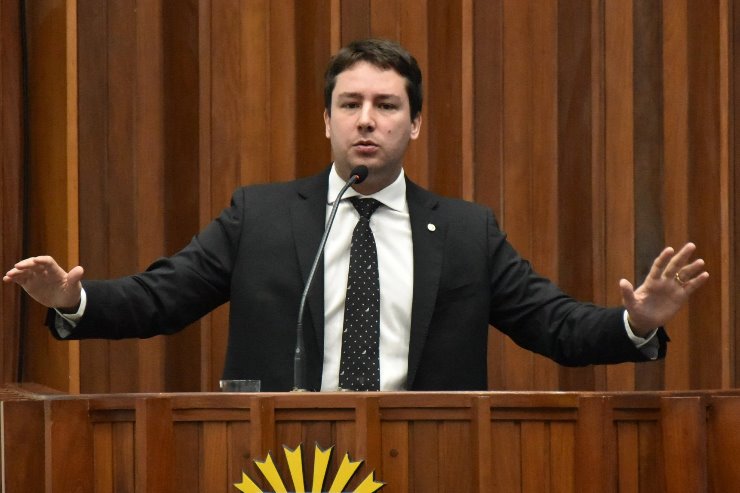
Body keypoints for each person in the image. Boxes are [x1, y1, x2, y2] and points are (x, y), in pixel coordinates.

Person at [4, 39, 708, 392]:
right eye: (351, 104)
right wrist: (75, 299)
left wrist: (636, 321)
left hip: (431, 465)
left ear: (416, 123)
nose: (366, 121)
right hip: (283, 469)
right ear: (327, 120)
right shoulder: (262, 216)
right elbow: (163, 297)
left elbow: (552, 325)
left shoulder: (467, 232)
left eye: (386, 105)